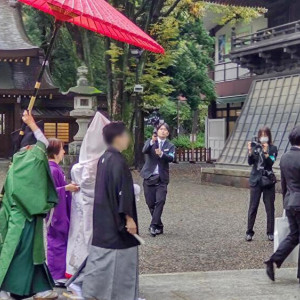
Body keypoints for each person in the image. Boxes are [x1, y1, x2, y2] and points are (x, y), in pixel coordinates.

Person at [66, 122, 143, 300]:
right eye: (126, 135)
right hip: (117, 221)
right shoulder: (117, 160)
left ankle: (90, 288)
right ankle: (114, 293)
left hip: (103, 217)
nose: (128, 139)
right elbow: (122, 191)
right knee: (118, 260)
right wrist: (129, 218)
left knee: (101, 259)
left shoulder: (104, 158)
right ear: (118, 138)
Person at [0, 111, 58, 300]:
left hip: (16, 215)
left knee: (32, 254)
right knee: (20, 253)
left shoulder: (16, 161)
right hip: (24, 217)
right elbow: (45, 144)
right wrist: (32, 123)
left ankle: (38, 289)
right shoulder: (34, 157)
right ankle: (5, 289)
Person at [65, 112, 110, 277]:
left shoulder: (79, 166)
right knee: (90, 236)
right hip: (94, 205)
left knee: (80, 234)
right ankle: (91, 272)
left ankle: (75, 269)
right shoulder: (100, 164)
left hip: (81, 204)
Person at [265, 126, 300, 281]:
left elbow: (284, 184)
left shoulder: (285, 157)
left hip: (290, 201)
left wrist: (285, 203)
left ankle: (273, 260)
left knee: (294, 235)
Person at [46, 138, 79, 287]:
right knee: (56, 242)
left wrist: (67, 186)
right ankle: (55, 275)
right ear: (55, 151)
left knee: (60, 241)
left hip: (60, 210)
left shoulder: (54, 168)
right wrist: (66, 188)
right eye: (61, 149)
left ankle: (60, 273)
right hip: (55, 212)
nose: (64, 152)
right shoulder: (52, 169)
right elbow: (49, 192)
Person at [140, 123, 175, 237]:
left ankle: (153, 225)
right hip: (149, 176)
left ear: (168, 133)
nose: (163, 131)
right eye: (161, 129)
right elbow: (144, 150)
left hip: (161, 178)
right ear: (157, 131)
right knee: (150, 203)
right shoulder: (150, 142)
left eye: (165, 130)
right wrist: (151, 142)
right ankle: (159, 225)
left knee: (160, 201)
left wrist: (161, 154)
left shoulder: (170, 145)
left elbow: (171, 158)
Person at [246, 126, 278, 242]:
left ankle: (270, 232)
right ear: (259, 136)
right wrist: (250, 151)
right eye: (261, 134)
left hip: (268, 180)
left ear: (269, 136)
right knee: (253, 206)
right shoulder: (255, 147)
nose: (263, 137)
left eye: (265, 134)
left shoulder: (273, 148)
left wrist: (265, 152)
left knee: (270, 207)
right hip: (256, 180)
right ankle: (249, 232)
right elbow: (250, 162)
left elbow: (271, 161)